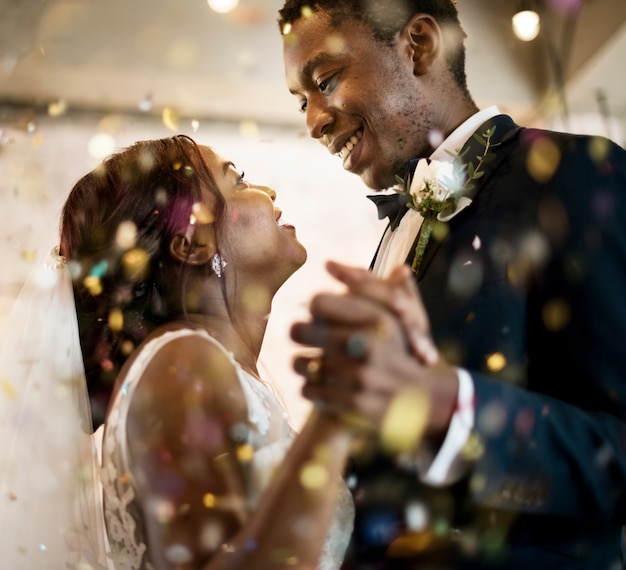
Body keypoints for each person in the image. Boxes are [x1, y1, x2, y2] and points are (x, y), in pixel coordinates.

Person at [278, 1, 626, 568]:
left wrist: (449, 405)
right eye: (301, 102)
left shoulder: (574, 175)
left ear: (417, 45)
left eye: (326, 81)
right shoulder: (395, 232)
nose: (313, 120)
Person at [0, 134, 354, 569]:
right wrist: (334, 420)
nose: (269, 193)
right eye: (239, 182)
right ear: (191, 245)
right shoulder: (182, 368)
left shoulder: (201, 368)